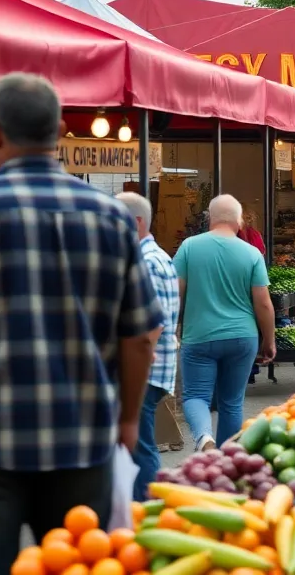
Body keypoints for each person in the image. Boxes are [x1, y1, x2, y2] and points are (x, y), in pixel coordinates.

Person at [0, 73, 162, 573]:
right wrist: (129, 418)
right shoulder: (111, 219)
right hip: (85, 440)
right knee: (79, 563)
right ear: (59, 133)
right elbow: (139, 337)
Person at [174, 194, 276, 452]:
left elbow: (175, 293)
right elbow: (263, 303)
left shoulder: (189, 247)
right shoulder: (252, 253)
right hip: (242, 338)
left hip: (199, 336)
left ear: (210, 218)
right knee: (232, 402)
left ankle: (204, 438)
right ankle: (227, 460)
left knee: (196, 396)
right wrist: (269, 340)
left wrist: (174, 328)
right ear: (239, 221)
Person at [116, 192, 182, 503]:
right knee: (140, 441)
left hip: (145, 368)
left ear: (136, 222)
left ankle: (144, 510)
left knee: (141, 444)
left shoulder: (147, 262)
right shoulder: (153, 258)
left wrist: (136, 362)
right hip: (149, 366)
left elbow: (150, 324)